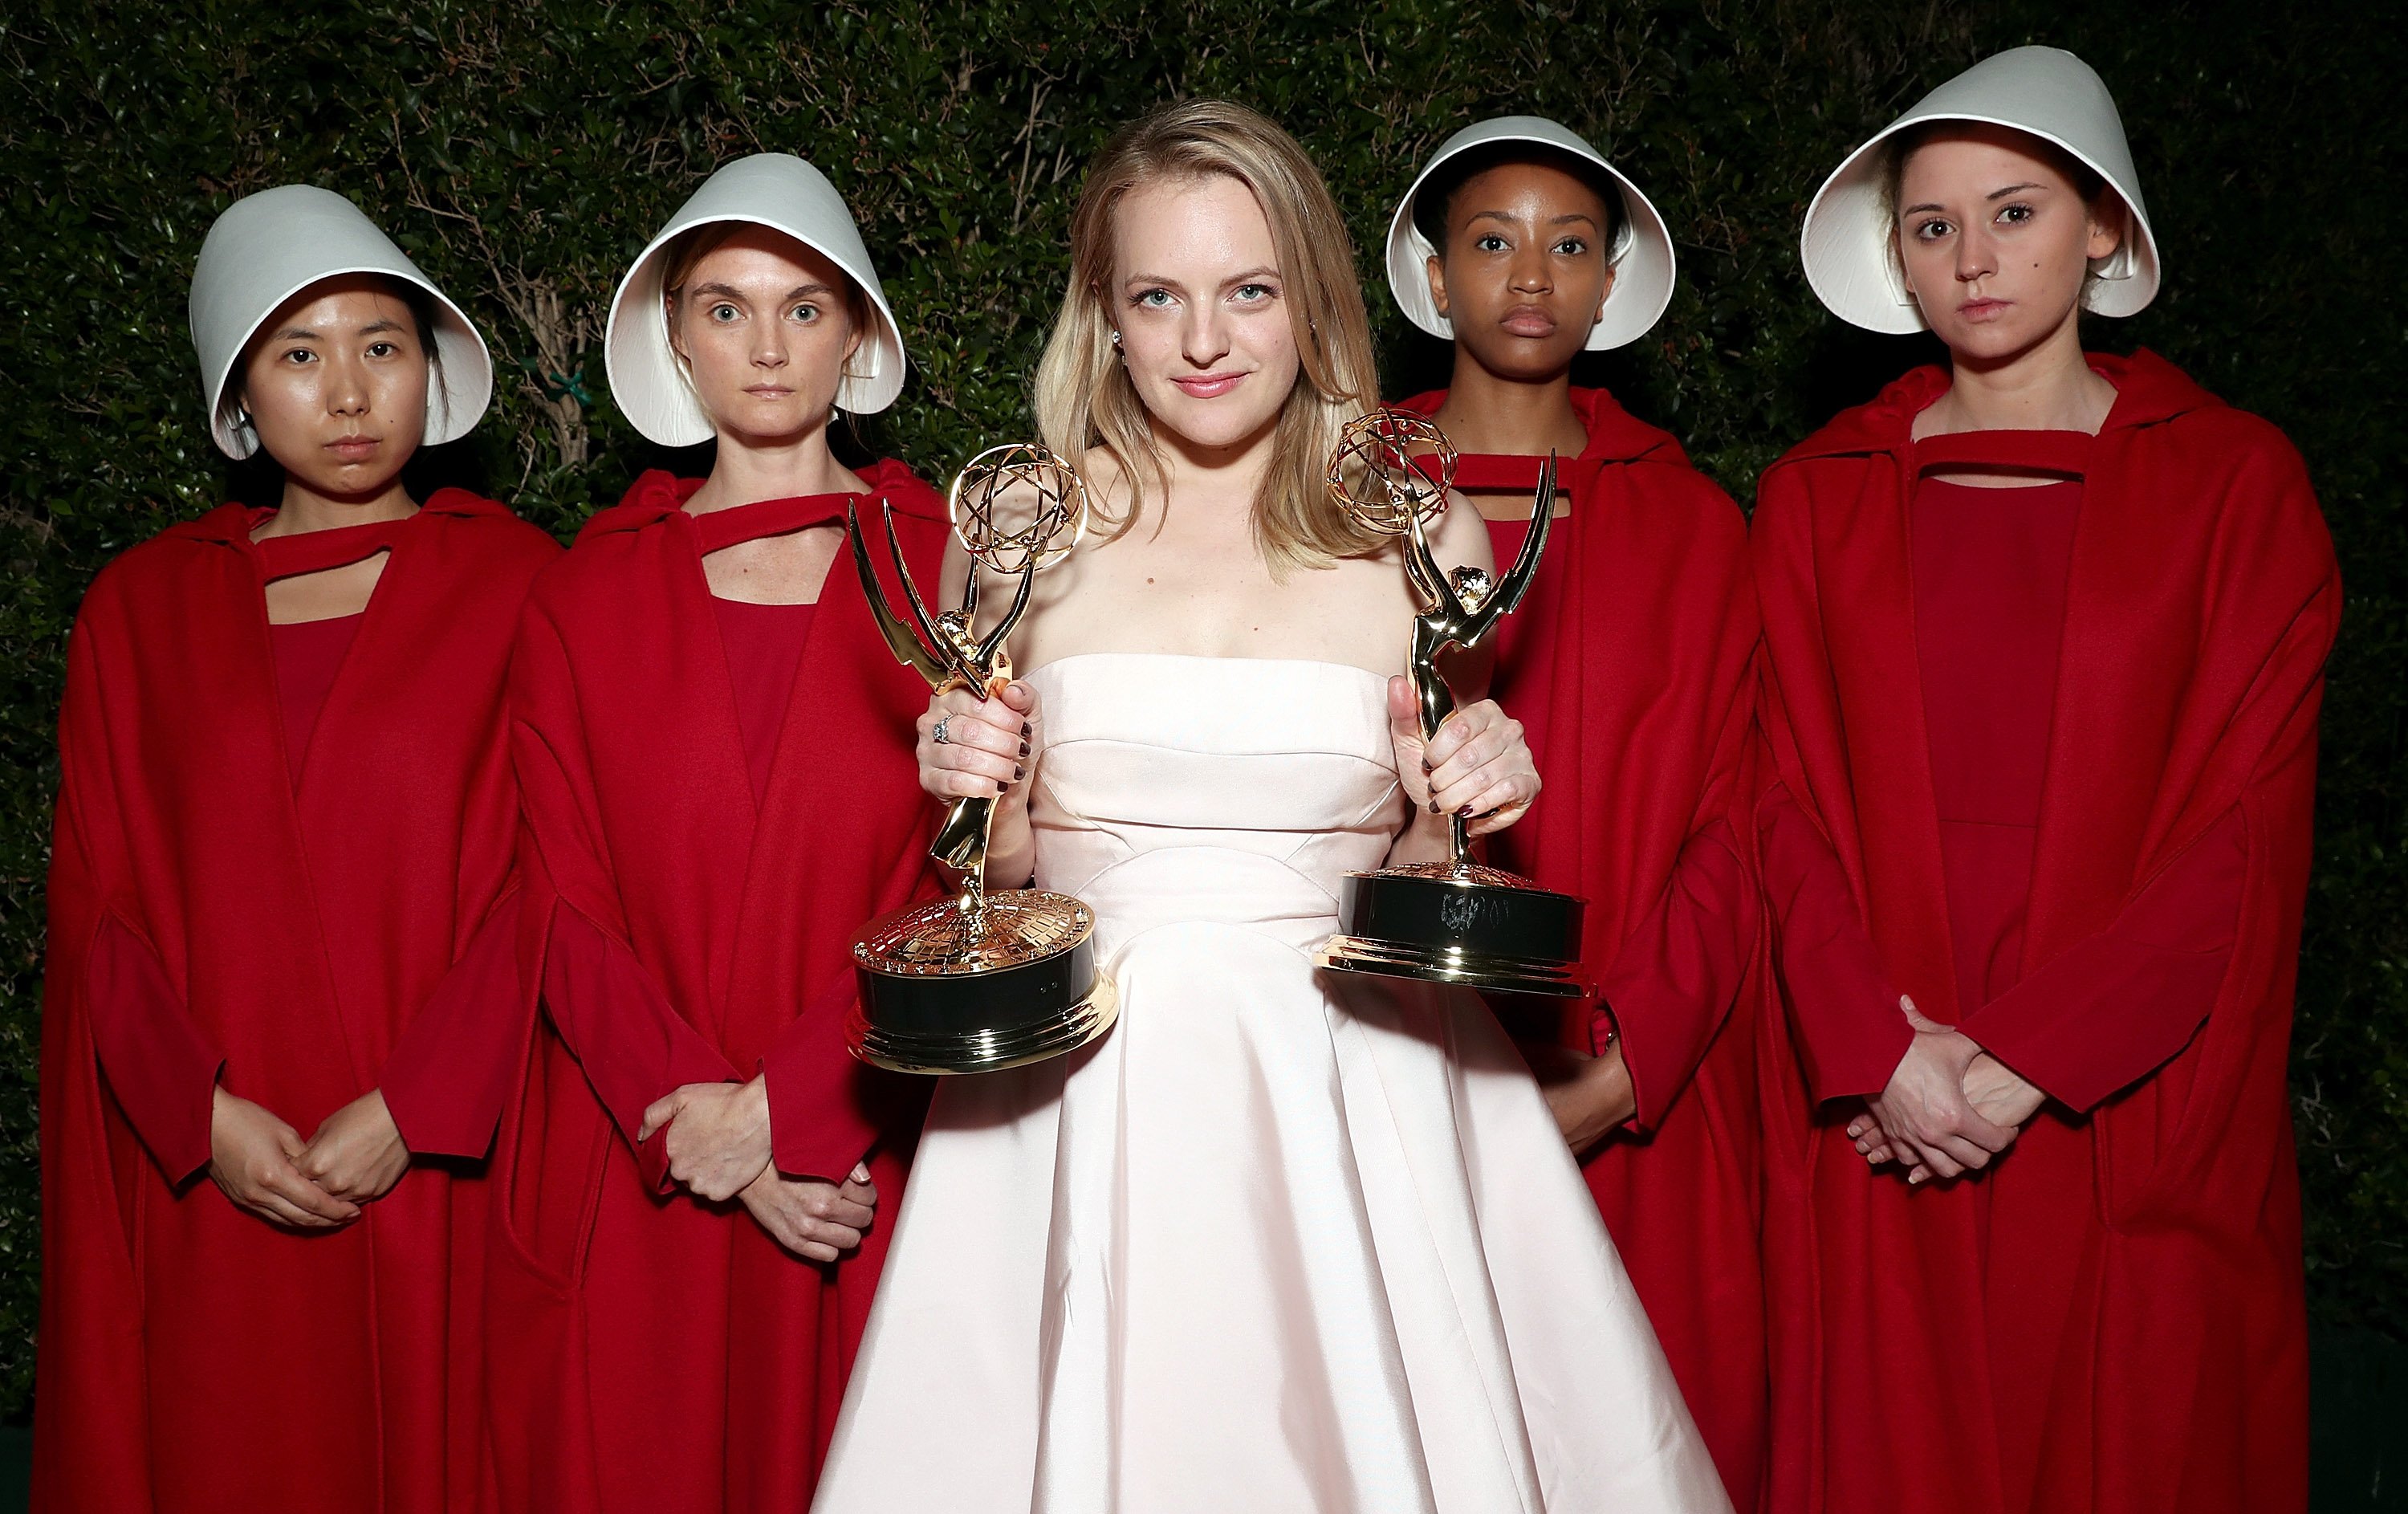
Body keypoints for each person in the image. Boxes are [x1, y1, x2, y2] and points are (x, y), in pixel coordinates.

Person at [813, 100, 1729, 1514]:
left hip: (1357, 1091)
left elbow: (1420, 864)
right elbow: (996, 882)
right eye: (1157, 295)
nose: (1204, 340)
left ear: (1310, 298)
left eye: (1249, 291)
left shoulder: (1422, 532)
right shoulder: (1018, 528)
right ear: (1103, 316)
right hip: (1080, 1096)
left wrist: (1468, 799)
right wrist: (965, 789)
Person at [1753, 46, 2336, 1514]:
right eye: (1933, 224)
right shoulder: (1816, 489)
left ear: (2104, 231)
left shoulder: (2236, 483)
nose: (1972, 259)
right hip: (1885, 1098)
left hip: (2125, 1104)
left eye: (2014, 213)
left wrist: (2020, 1065)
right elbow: (1772, 797)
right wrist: (1875, 1045)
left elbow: (2246, 837)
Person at [34, 184, 557, 1513]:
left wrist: (419, 1102)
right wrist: (196, 1113)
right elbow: (98, 903)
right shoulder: (140, 610)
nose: (346, 392)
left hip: (438, 1163)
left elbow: (553, 880)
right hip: (215, 1168)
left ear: (430, 376)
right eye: (301, 352)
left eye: (381, 346)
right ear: (237, 393)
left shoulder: (521, 582)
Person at [481, 152, 947, 1512]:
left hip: (876, 1154)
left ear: (857, 334)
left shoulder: (949, 563)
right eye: (728, 308)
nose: (767, 345)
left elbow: (963, 878)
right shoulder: (584, 595)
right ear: (674, 339)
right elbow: (556, 899)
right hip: (646, 1164)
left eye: (806, 308)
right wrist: (713, 1141)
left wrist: (796, 1110)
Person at [1384, 116, 1764, 1507]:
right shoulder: (1331, 496)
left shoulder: (1698, 524)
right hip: (1381, 1071)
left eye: (1568, 244)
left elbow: (1742, 818)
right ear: (1434, 281)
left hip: (1633, 1093)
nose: (1529, 274)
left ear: (1615, 285)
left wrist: (1627, 1065)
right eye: (1490, 241)